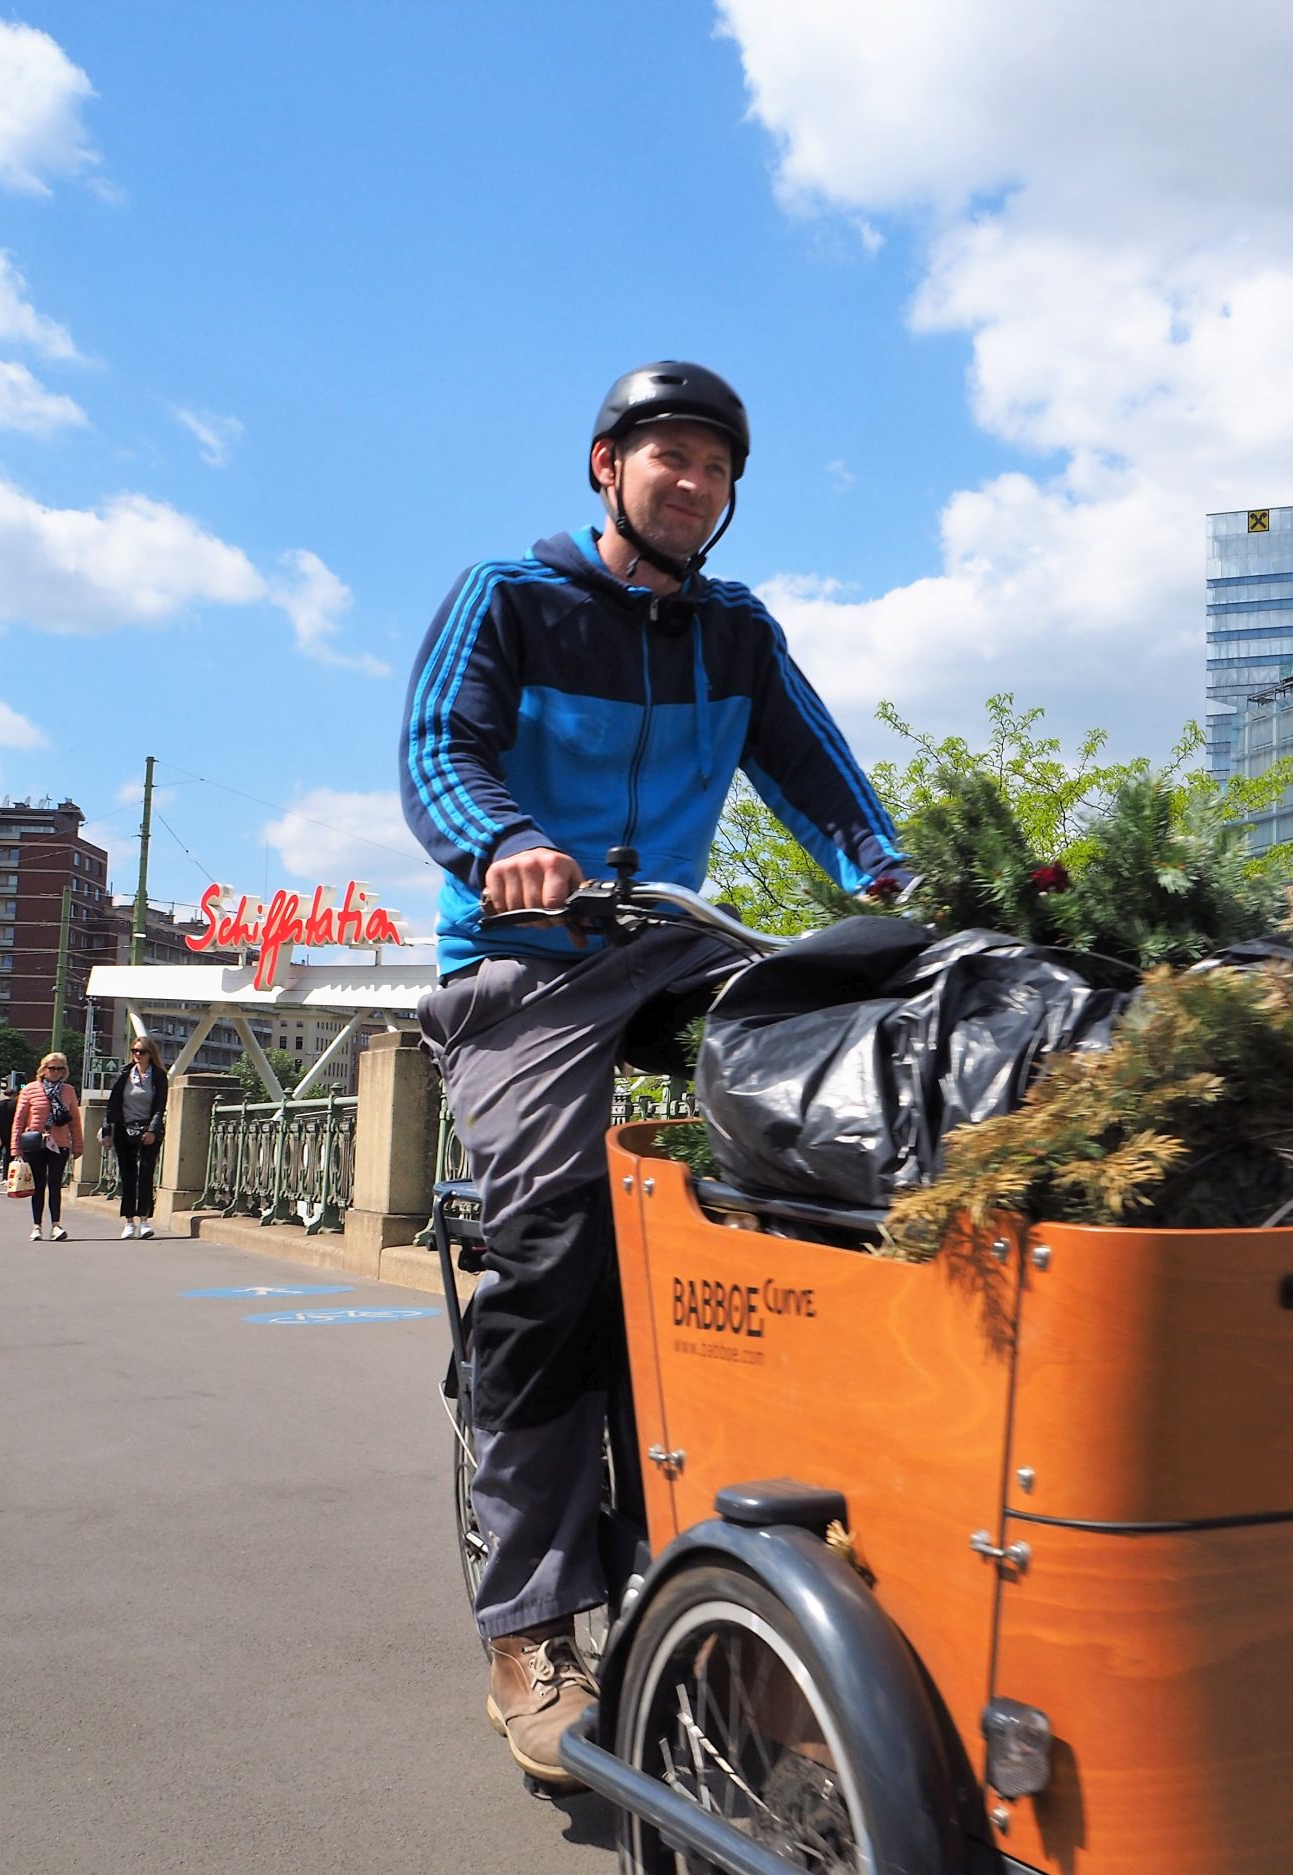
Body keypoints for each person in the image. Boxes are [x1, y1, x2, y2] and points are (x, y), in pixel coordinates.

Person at [399, 361, 909, 1788]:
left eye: (719, 468)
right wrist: (504, 838)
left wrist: (903, 877)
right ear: (605, 465)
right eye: (669, 457)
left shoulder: (736, 631)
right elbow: (442, 747)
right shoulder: (508, 594)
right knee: (552, 1248)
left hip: (678, 947)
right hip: (528, 953)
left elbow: (823, 780)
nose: (694, 484)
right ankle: (531, 1619)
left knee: (840, 1134)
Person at [10, 1053, 84, 1241]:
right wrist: (15, 1148)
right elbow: (19, 1119)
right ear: (43, 1069)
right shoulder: (30, 1089)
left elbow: (75, 1120)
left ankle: (56, 1225)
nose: (55, 1072)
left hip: (59, 1144)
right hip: (34, 1142)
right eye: (52, 1068)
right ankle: (37, 1226)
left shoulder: (68, 1091)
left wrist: (78, 1144)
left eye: (60, 1069)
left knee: (55, 1185)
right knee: (38, 1186)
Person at [105, 1037, 168, 1237]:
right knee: (128, 1175)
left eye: (141, 1051)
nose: (137, 1055)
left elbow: (160, 1106)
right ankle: (129, 1222)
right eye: (134, 1051)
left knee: (146, 1175)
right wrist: (107, 1131)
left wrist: (152, 1130)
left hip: (148, 1130)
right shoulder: (124, 1074)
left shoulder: (158, 1076)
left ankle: (145, 1220)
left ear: (151, 1053)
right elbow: (112, 1105)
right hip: (125, 1130)